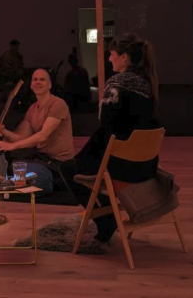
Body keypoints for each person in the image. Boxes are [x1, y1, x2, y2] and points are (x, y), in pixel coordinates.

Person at [61, 33, 160, 244]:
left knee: (69, 168)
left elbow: (106, 129)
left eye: (112, 54)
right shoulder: (148, 84)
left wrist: (81, 159)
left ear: (124, 57)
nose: (109, 58)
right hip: (146, 167)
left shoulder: (116, 84)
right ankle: (107, 215)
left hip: (121, 166)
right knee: (82, 163)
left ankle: (106, 218)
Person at [0, 68, 76, 190]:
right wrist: (1, 130)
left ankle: (43, 182)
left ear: (50, 85)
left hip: (58, 163)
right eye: (35, 79)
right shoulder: (32, 109)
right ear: (31, 85)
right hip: (42, 157)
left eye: (42, 79)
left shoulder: (58, 104)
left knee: (22, 170)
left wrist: (11, 146)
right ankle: (12, 183)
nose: (38, 82)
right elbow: (21, 137)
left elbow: (43, 136)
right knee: (11, 162)